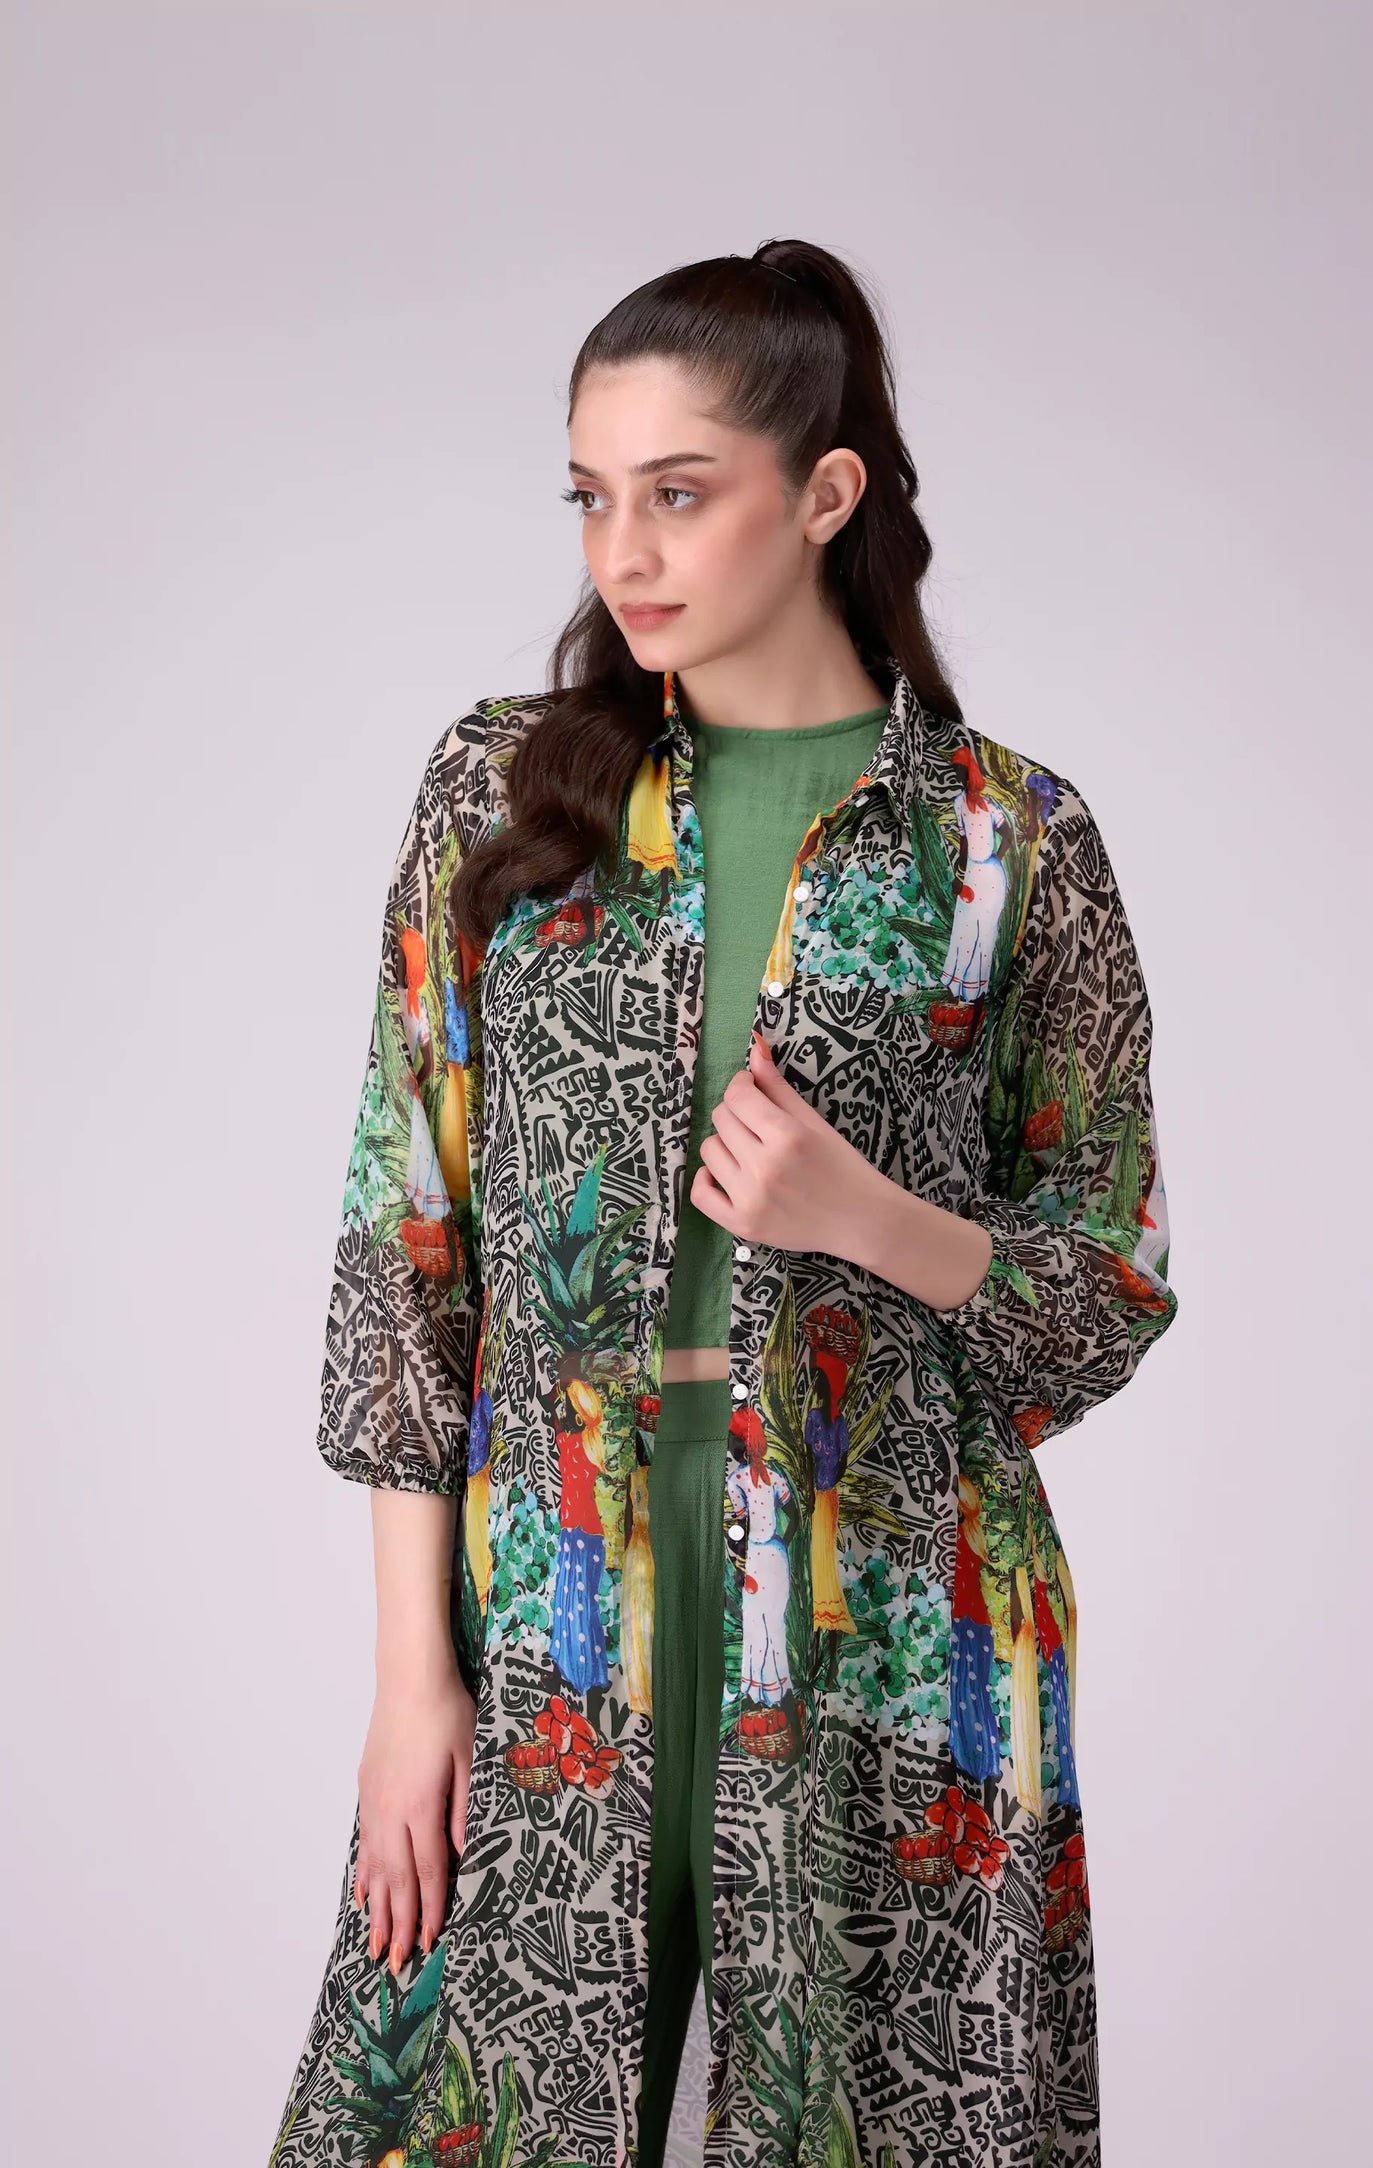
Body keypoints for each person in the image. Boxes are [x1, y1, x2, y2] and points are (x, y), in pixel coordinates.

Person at [270, 238, 1179, 2168]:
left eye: (678, 494)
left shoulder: (1004, 841)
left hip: (894, 1607)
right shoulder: (504, 797)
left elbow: (1109, 1280)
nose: (625, 552)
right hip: (553, 1597)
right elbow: (402, 1250)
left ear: (824, 494)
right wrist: (410, 1684)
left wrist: (868, 1214)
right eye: (591, 497)